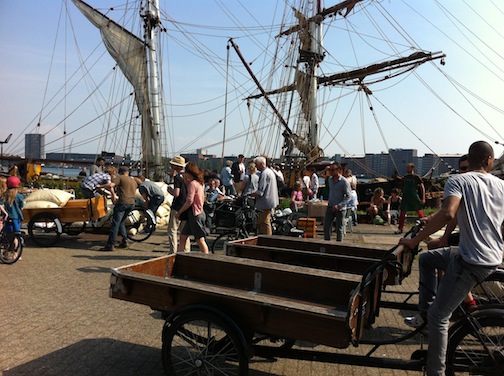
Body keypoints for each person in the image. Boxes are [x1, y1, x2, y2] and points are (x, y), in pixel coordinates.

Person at [399, 141, 504, 376]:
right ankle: (423, 313)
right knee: (427, 260)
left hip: (471, 260)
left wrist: (414, 241)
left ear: (470, 158)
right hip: (489, 255)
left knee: (440, 316)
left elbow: (449, 212)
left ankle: (436, 371)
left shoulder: (459, 180)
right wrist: (431, 221)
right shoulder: (501, 186)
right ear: (489, 160)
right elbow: (453, 214)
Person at [100, 166, 137, 251]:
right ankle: (124, 241)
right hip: (131, 203)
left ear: (120, 172)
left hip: (122, 202)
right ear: (127, 172)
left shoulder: (120, 177)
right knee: (121, 222)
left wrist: (99, 186)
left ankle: (110, 244)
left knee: (115, 223)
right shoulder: (133, 180)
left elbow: (111, 185)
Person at [175, 162, 209, 254]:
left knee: (200, 239)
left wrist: (179, 212)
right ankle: (179, 255)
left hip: (195, 214)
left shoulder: (193, 184)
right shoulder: (200, 183)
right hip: (198, 213)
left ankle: (207, 258)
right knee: (183, 236)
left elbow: (189, 201)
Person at [166, 156, 190, 253]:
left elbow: (177, 193)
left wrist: (170, 190)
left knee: (172, 230)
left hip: (178, 206)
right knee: (184, 232)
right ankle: (186, 250)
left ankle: (173, 251)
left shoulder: (177, 177)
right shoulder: (189, 176)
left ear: (176, 166)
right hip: (187, 206)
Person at [323, 162, 351, 242]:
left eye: (332, 170)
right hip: (330, 206)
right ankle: (326, 244)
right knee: (326, 227)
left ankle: (339, 246)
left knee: (339, 229)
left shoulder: (344, 182)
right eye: (330, 170)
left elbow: (349, 196)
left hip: (340, 208)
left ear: (339, 170)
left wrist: (339, 205)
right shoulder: (329, 180)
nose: (330, 172)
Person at [395, 162, 425, 234]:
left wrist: (423, 198)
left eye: (408, 167)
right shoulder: (405, 177)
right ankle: (400, 228)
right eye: (407, 167)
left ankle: (425, 225)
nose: (407, 169)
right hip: (405, 196)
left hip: (413, 196)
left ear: (412, 168)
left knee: (418, 210)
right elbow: (401, 186)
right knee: (402, 211)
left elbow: (422, 187)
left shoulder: (416, 177)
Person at [251, 156, 279, 235]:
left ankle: (267, 239)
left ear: (261, 164)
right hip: (270, 201)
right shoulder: (270, 172)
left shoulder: (264, 174)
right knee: (265, 221)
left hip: (265, 202)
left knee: (264, 222)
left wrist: (250, 194)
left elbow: (260, 191)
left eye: (256, 164)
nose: (255, 167)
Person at [0, 176, 24, 260]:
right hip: (16, 219)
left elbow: (0, 204)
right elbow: (21, 208)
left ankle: (6, 254)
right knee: (16, 237)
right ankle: (15, 254)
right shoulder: (20, 196)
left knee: (6, 237)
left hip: (7, 219)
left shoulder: (4, 195)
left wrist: (5, 212)